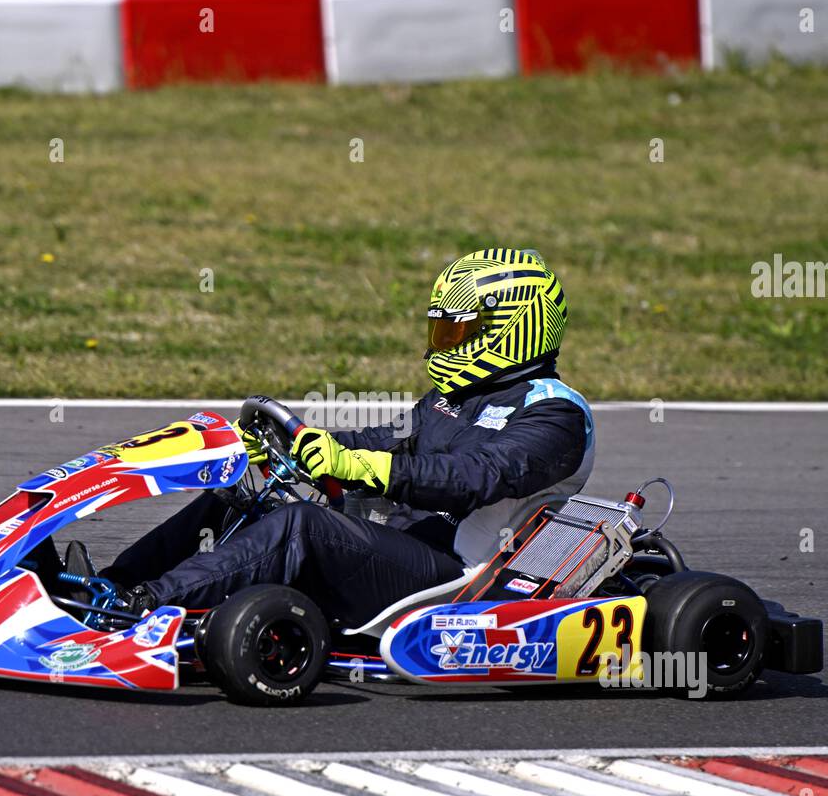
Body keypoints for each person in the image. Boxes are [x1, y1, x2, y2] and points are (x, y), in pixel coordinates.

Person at [100, 248, 596, 629]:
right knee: (234, 502)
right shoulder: (456, 396)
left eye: (458, 332)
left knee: (302, 525)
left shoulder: (556, 415)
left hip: (453, 576)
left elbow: (477, 477)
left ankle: (141, 608)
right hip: (398, 538)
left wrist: (362, 468)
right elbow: (385, 438)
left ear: (515, 328)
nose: (446, 344)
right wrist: (300, 446)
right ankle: (111, 589)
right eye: (443, 331)